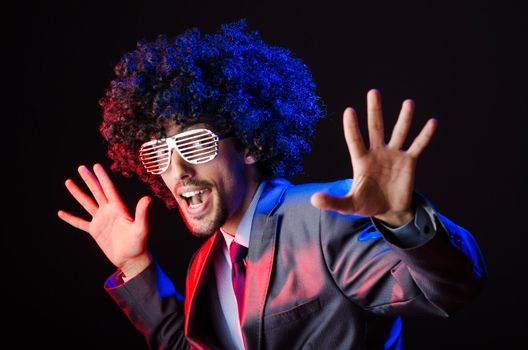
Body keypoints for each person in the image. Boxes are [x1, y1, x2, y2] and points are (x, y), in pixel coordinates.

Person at [57, 19, 486, 349]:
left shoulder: (323, 217)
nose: (177, 170)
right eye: (159, 152)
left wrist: (402, 219)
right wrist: (135, 266)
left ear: (252, 143)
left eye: (193, 143)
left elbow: (447, 290)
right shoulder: (205, 265)